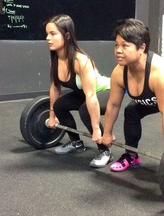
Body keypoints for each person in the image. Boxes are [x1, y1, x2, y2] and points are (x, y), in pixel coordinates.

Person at [99, 18, 164, 172]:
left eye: (125, 46)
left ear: (141, 47)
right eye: (116, 45)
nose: (118, 50)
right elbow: (113, 105)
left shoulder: (161, 73)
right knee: (131, 112)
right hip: (159, 96)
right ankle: (131, 156)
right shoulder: (119, 72)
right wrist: (107, 133)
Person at [45, 14, 113, 168]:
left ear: (67, 35)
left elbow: (90, 95)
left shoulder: (81, 61)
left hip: (106, 90)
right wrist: (52, 116)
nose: (48, 38)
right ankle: (76, 142)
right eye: (47, 34)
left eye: (53, 34)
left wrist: (96, 128)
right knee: (59, 106)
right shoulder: (54, 61)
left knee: (85, 111)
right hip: (86, 93)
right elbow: (55, 88)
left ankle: (105, 151)